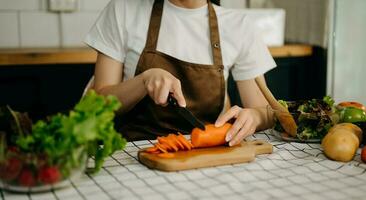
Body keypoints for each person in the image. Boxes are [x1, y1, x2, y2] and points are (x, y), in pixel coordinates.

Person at [84, 0, 276, 146]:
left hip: (209, 155)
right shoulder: (122, 10)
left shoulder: (239, 26)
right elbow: (97, 104)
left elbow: (266, 112)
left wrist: (255, 117)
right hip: (135, 152)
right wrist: (143, 81)